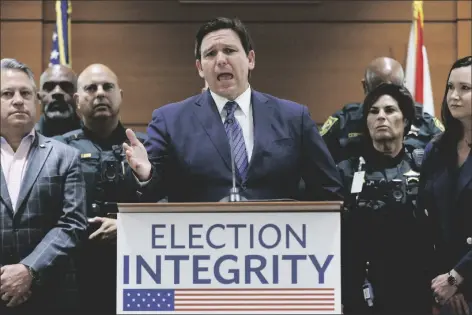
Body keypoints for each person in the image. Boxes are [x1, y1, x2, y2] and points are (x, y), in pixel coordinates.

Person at [123, 17, 343, 202]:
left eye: (229, 50)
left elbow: (328, 190)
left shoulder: (294, 117)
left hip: (280, 245)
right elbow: (152, 195)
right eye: (210, 54)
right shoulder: (170, 120)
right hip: (200, 247)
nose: (220, 60)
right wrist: (146, 174)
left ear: (250, 59)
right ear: (200, 68)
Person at [56, 63, 147, 314]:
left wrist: (126, 225)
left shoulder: (146, 146)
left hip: (136, 265)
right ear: (77, 99)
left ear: (120, 95)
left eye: (107, 87)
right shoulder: (56, 150)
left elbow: (167, 204)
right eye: (90, 88)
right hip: (76, 269)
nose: (100, 93)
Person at [0, 58, 87, 314]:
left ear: (36, 100)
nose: (18, 100)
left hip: (51, 294)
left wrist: (29, 270)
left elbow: (73, 224)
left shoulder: (65, 156)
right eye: (7, 93)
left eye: (25, 93)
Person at [339, 83, 432, 314]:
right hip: (360, 288)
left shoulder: (426, 168)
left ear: (406, 121)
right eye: (374, 111)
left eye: (390, 110)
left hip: (416, 288)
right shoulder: (346, 171)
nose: (381, 116)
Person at [419, 56, 472, 315]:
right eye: (450, 87)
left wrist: (457, 277)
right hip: (442, 288)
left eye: (465, 88)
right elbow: (425, 222)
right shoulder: (436, 148)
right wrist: (442, 283)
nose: (454, 95)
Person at [321, 57, 444, 163]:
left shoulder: (426, 124)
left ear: (403, 87)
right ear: (365, 86)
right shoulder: (342, 122)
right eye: (379, 89)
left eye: (394, 89)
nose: (386, 96)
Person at [35, 65, 82, 137]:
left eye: (66, 87)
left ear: (77, 98)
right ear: (39, 97)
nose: (57, 92)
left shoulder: (94, 138)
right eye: (49, 87)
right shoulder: (24, 138)